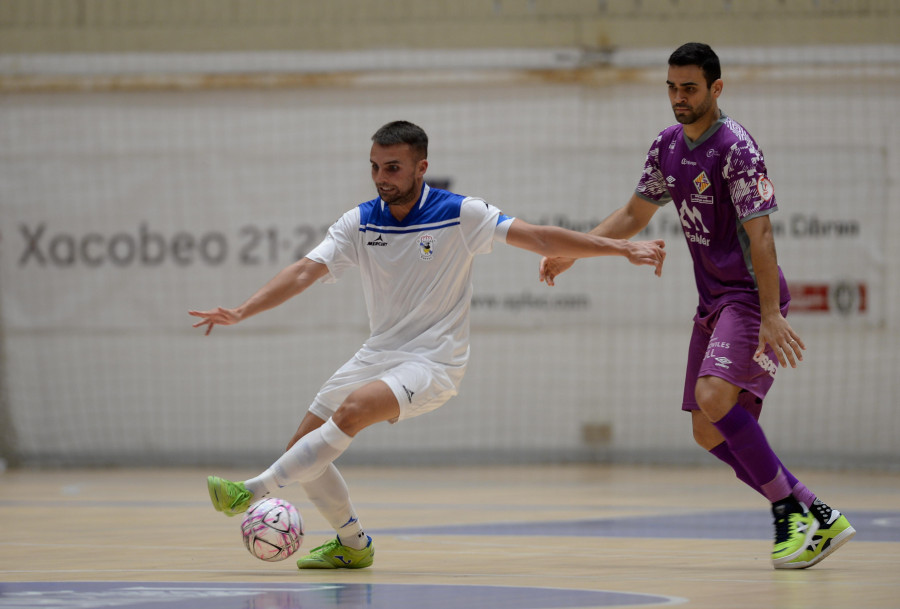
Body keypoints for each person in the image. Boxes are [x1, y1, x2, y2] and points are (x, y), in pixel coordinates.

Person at [190, 120, 666, 570]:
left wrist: (622, 247)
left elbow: (540, 236)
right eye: (375, 167)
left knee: (352, 411)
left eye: (392, 167)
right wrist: (241, 310)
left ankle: (251, 491)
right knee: (305, 452)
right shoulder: (359, 222)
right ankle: (353, 546)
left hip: (435, 362)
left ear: (421, 167)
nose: (381, 177)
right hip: (378, 353)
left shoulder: (461, 213)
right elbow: (302, 272)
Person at [539, 43, 854, 570]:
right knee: (706, 429)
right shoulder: (666, 146)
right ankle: (814, 510)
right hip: (712, 301)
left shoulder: (736, 148)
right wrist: (575, 251)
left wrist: (772, 313)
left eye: (689, 88)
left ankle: (786, 515)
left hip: (751, 298)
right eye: (672, 87)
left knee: (713, 395)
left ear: (716, 89)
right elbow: (635, 212)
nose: (679, 98)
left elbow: (762, 236)